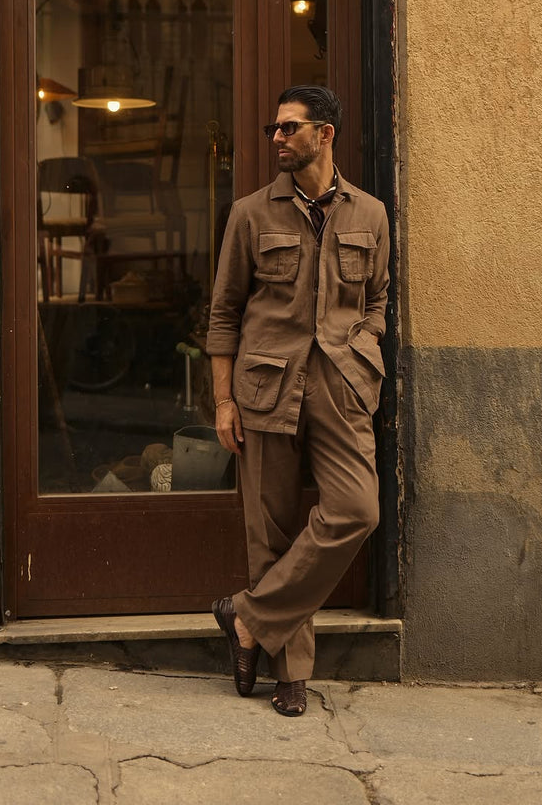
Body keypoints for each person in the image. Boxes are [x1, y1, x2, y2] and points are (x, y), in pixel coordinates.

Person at [207, 85, 389, 717]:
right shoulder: (251, 214)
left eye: (289, 129)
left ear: (325, 134)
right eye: (274, 130)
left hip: (342, 386)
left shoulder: (371, 214)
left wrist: (363, 346)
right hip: (266, 387)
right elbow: (225, 313)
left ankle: (248, 618)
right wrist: (224, 400)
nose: (277, 138)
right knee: (274, 532)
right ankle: (292, 674)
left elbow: (378, 300)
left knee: (356, 509)